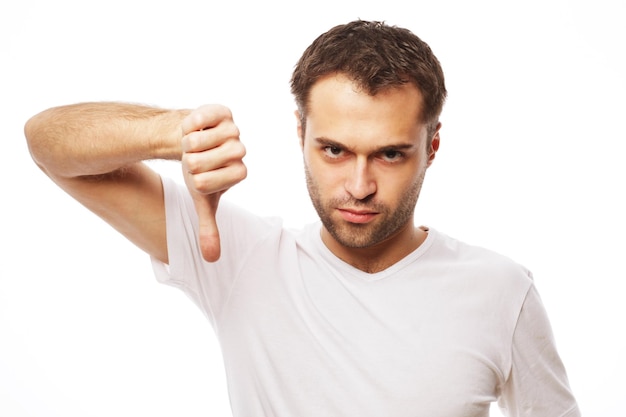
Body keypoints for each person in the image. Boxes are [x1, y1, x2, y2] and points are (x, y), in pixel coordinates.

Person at [25, 20, 580, 417]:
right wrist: (170, 133)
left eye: (389, 154)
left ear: (432, 147)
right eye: (335, 150)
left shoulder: (500, 289)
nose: (359, 187)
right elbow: (48, 143)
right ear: (300, 136)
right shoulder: (241, 258)